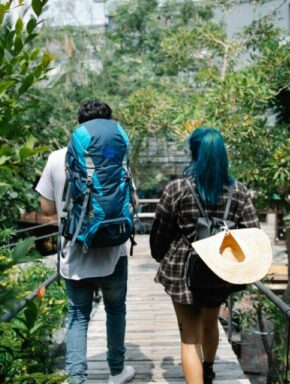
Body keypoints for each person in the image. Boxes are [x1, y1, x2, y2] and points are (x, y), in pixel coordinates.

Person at [35, 100, 135, 384]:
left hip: (75, 250)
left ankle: (77, 378)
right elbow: (131, 201)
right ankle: (116, 371)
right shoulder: (115, 156)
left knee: (78, 315)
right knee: (116, 309)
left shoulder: (56, 158)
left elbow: (46, 210)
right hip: (114, 251)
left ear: (80, 125)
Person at [149, 127, 260, 384]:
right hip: (221, 269)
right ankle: (208, 369)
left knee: (190, 336)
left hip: (183, 270)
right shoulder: (239, 192)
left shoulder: (177, 189)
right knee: (211, 323)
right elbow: (253, 233)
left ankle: (198, 375)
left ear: (193, 153)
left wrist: (159, 256)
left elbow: (160, 233)